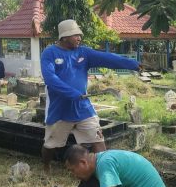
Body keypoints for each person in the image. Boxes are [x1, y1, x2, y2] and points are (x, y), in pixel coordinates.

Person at [40, 19, 140, 172]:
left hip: (83, 107)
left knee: (97, 139)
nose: (79, 38)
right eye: (75, 35)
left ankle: (106, 170)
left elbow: (107, 58)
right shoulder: (50, 53)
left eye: (80, 35)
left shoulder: (84, 52)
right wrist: (72, 93)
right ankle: (46, 166)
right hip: (59, 108)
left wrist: (131, 64)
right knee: (51, 144)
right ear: (64, 37)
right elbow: (50, 79)